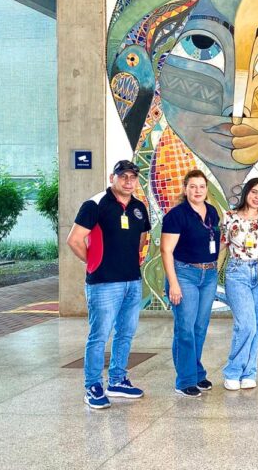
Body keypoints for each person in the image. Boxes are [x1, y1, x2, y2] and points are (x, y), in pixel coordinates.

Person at [66, 160, 151, 409]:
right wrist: (94, 262)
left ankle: (117, 379)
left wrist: (133, 262)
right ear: (112, 177)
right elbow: (74, 240)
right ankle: (93, 385)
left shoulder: (138, 207)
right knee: (99, 336)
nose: (128, 181)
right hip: (104, 283)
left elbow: (142, 237)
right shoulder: (95, 204)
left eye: (133, 177)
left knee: (126, 333)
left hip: (132, 281)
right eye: (123, 176)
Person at [160, 169, 221, 398]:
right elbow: (166, 250)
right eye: (193, 186)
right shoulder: (176, 215)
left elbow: (215, 241)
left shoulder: (212, 212)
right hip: (184, 274)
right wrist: (173, 284)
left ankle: (196, 371)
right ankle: (184, 380)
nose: (197, 191)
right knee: (185, 327)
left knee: (200, 326)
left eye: (201, 187)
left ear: (207, 190)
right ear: (185, 189)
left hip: (209, 275)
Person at [222, 177, 258, 390]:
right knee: (245, 323)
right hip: (237, 272)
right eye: (254, 192)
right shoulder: (229, 217)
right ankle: (233, 371)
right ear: (246, 192)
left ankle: (249, 372)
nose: (257, 197)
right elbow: (220, 246)